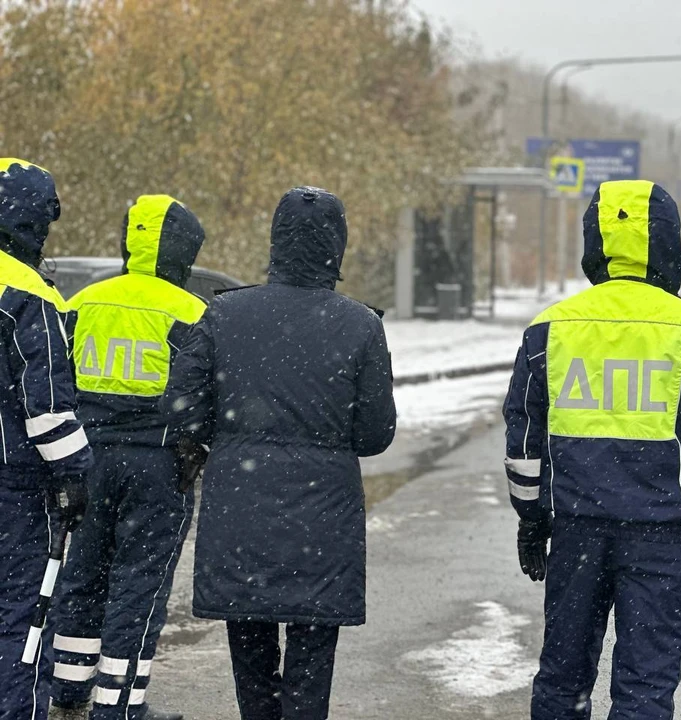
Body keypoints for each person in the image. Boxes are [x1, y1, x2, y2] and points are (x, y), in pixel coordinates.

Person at [502, 179, 681, 719]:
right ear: (669, 244)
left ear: (594, 241)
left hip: (575, 532)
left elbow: (524, 438)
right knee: (644, 686)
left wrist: (531, 517)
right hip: (663, 539)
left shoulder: (550, 328)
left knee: (563, 678)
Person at [161, 186, 396, 719]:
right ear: (337, 246)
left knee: (250, 650)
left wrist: (219, 436)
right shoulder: (361, 325)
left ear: (276, 242)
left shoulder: (225, 315)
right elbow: (375, 434)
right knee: (312, 657)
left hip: (241, 509)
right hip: (324, 520)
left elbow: (180, 405)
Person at [48, 195, 207, 720]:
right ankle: (118, 707)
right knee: (140, 585)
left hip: (87, 459)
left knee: (83, 575)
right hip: (159, 467)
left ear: (127, 242)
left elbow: (55, 379)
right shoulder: (191, 311)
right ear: (183, 252)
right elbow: (203, 395)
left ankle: (68, 692)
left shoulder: (84, 300)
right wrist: (197, 447)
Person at [0, 159, 94, 719]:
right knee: (21, 617)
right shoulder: (29, 295)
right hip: (15, 485)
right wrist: (75, 475)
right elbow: (48, 408)